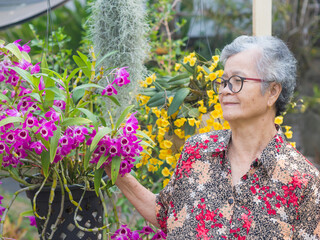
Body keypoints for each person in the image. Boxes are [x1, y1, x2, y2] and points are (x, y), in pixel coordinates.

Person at [105, 35, 320, 239]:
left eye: (237, 80)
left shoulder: (303, 182)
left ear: (272, 92)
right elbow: (164, 214)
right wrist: (111, 165)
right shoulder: (196, 151)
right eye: (223, 81)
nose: (225, 90)